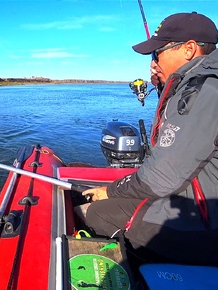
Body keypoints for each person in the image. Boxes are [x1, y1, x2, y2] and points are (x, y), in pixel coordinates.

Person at [82, 12, 218, 266]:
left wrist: (110, 191)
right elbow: (174, 138)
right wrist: (165, 87)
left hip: (205, 223)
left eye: (158, 53)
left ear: (189, 49)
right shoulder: (201, 85)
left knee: (98, 213)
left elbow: (161, 177)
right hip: (195, 196)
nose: (153, 62)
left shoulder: (205, 90)